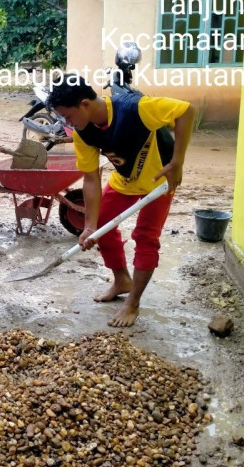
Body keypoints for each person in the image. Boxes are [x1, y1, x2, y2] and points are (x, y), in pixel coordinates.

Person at [48, 74, 195, 328]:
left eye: (68, 116)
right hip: (125, 180)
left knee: (146, 237)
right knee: (103, 227)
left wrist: (177, 162)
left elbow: (186, 111)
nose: (67, 123)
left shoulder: (135, 108)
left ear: (84, 104)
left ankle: (133, 303)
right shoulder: (83, 133)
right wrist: (90, 226)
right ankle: (121, 280)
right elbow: (91, 179)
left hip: (158, 183)